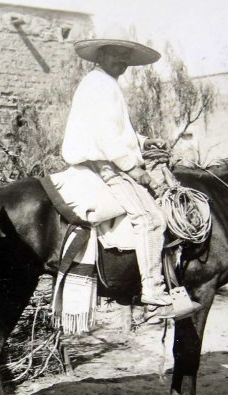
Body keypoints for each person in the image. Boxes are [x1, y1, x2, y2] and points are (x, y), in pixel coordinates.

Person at [61, 38, 174, 314]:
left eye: (125, 58)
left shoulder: (102, 83)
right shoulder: (100, 85)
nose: (121, 63)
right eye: (116, 56)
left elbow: (117, 131)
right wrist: (133, 169)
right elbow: (106, 136)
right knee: (151, 219)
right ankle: (152, 288)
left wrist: (144, 142)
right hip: (107, 164)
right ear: (101, 55)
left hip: (107, 157)